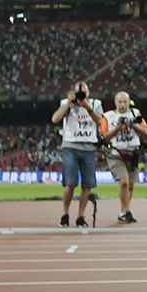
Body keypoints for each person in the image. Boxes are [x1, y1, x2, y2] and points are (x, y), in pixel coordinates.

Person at [51, 81, 102, 228]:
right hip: (71, 146)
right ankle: (65, 214)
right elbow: (55, 119)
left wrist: (87, 107)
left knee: (87, 185)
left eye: (84, 93)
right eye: (79, 93)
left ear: (88, 93)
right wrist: (68, 103)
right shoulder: (66, 103)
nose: (81, 96)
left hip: (89, 147)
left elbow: (100, 122)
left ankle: (80, 216)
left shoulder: (95, 103)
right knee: (70, 183)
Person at [100, 91, 147, 223]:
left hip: (133, 152)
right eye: (120, 102)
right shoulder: (108, 116)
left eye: (125, 102)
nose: (122, 105)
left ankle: (123, 212)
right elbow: (102, 136)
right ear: (115, 103)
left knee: (131, 186)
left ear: (129, 102)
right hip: (115, 152)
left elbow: (145, 130)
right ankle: (127, 212)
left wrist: (135, 126)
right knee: (124, 182)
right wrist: (116, 129)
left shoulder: (135, 113)